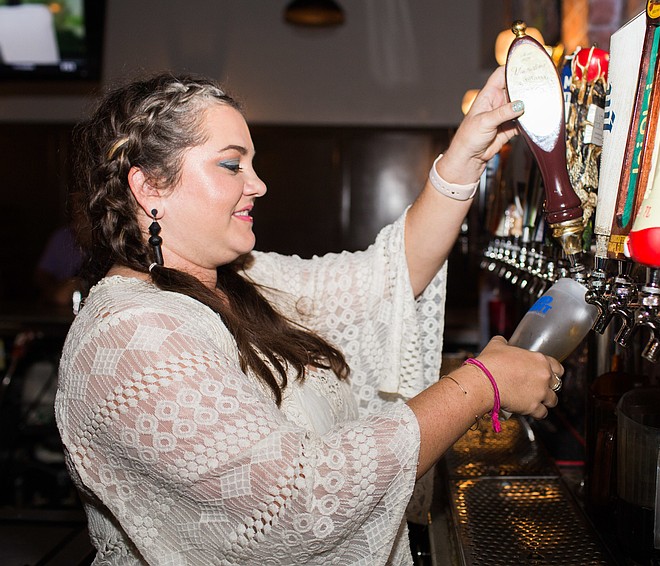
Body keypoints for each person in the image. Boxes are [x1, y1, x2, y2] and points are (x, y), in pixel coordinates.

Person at [55, 69, 564, 565]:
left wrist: (466, 155)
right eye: (231, 165)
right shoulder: (129, 337)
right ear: (149, 188)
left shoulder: (242, 280)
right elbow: (297, 503)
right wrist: (477, 387)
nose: (258, 185)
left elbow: (385, 278)